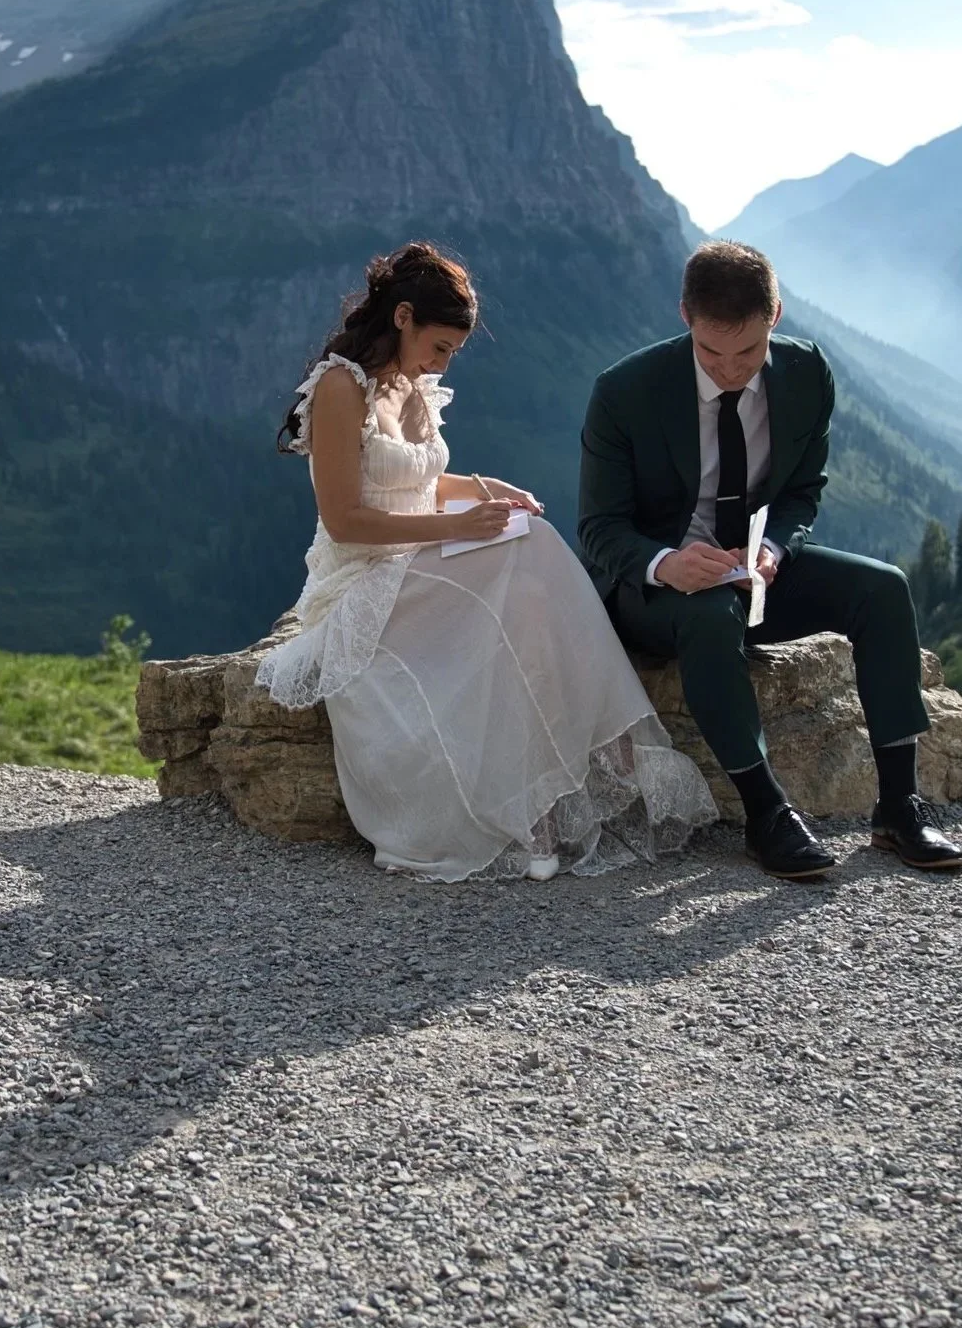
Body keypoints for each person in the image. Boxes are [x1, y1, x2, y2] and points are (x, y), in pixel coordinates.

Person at [256, 242, 717, 881]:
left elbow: (416, 478)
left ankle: (551, 799)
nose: (444, 363)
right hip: (365, 581)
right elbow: (346, 520)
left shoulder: (412, 383)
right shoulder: (340, 388)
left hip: (415, 560)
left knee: (533, 542)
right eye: (440, 346)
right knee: (525, 558)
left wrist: (481, 487)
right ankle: (580, 774)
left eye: (452, 353)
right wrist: (456, 524)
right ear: (403, 317)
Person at [577, 240, 962, 881]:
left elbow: (802, 490)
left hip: (756, 573)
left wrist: (775, 549)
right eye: (710, 353)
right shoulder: (624, 392)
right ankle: (766, 813)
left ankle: (898, 805)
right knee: (707, 616)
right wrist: (666, 563)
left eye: (749, 353)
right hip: (657, 590)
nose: (730, 370)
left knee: (885, 589)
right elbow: (598, 528)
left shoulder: (808, 373)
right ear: (684, 317)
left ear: (775, 317)